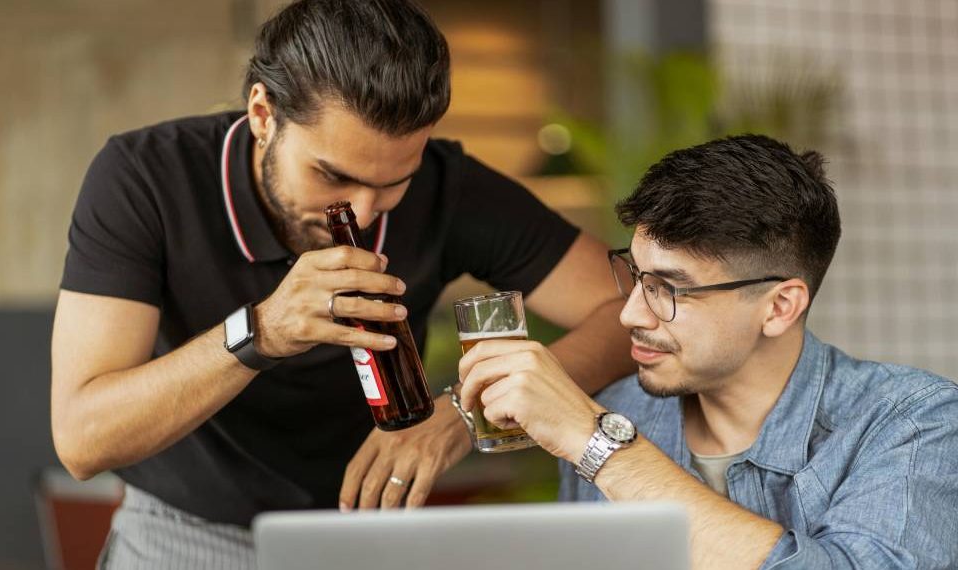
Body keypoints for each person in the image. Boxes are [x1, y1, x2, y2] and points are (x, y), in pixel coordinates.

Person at [50, 0, 633, 566]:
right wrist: (261, 331)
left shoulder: (447, 186)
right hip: (184, 529)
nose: (363, 211)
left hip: (364, 532)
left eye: (394, 182)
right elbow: (82, 441)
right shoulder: (144, 177)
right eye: (332, 175)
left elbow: (627, 310)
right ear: (262, 114)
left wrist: (460, 415)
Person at [459, 134, 958, 569]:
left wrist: (599, 446)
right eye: (634, 275)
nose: (631, 314)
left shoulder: (914, 425)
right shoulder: (618, 411)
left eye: (669, 288)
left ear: (780, 306)